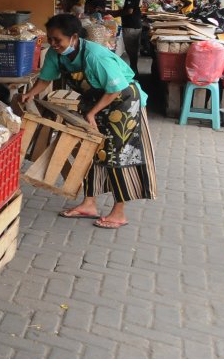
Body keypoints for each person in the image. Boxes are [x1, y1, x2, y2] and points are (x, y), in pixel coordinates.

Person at [21, 14, 155, 229]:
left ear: (73, 37)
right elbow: (46, 78)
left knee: (118, 156)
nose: (53, 44)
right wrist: (31, 94)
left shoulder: (95, 56)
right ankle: (88, 204)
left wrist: (91, 113)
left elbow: (115, 89)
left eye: (58, 40)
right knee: (91, 152)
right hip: (96, 104)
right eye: (50, 39)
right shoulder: (57, 54)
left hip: (123, 103)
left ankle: (119, 213)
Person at [119, 0, 143, 71]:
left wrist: (114, 13)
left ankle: (134, 70)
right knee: (134, 50)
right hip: (135, 25)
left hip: (131, 26)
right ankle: (134, 69)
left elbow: (129, 11)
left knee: (131, 50)